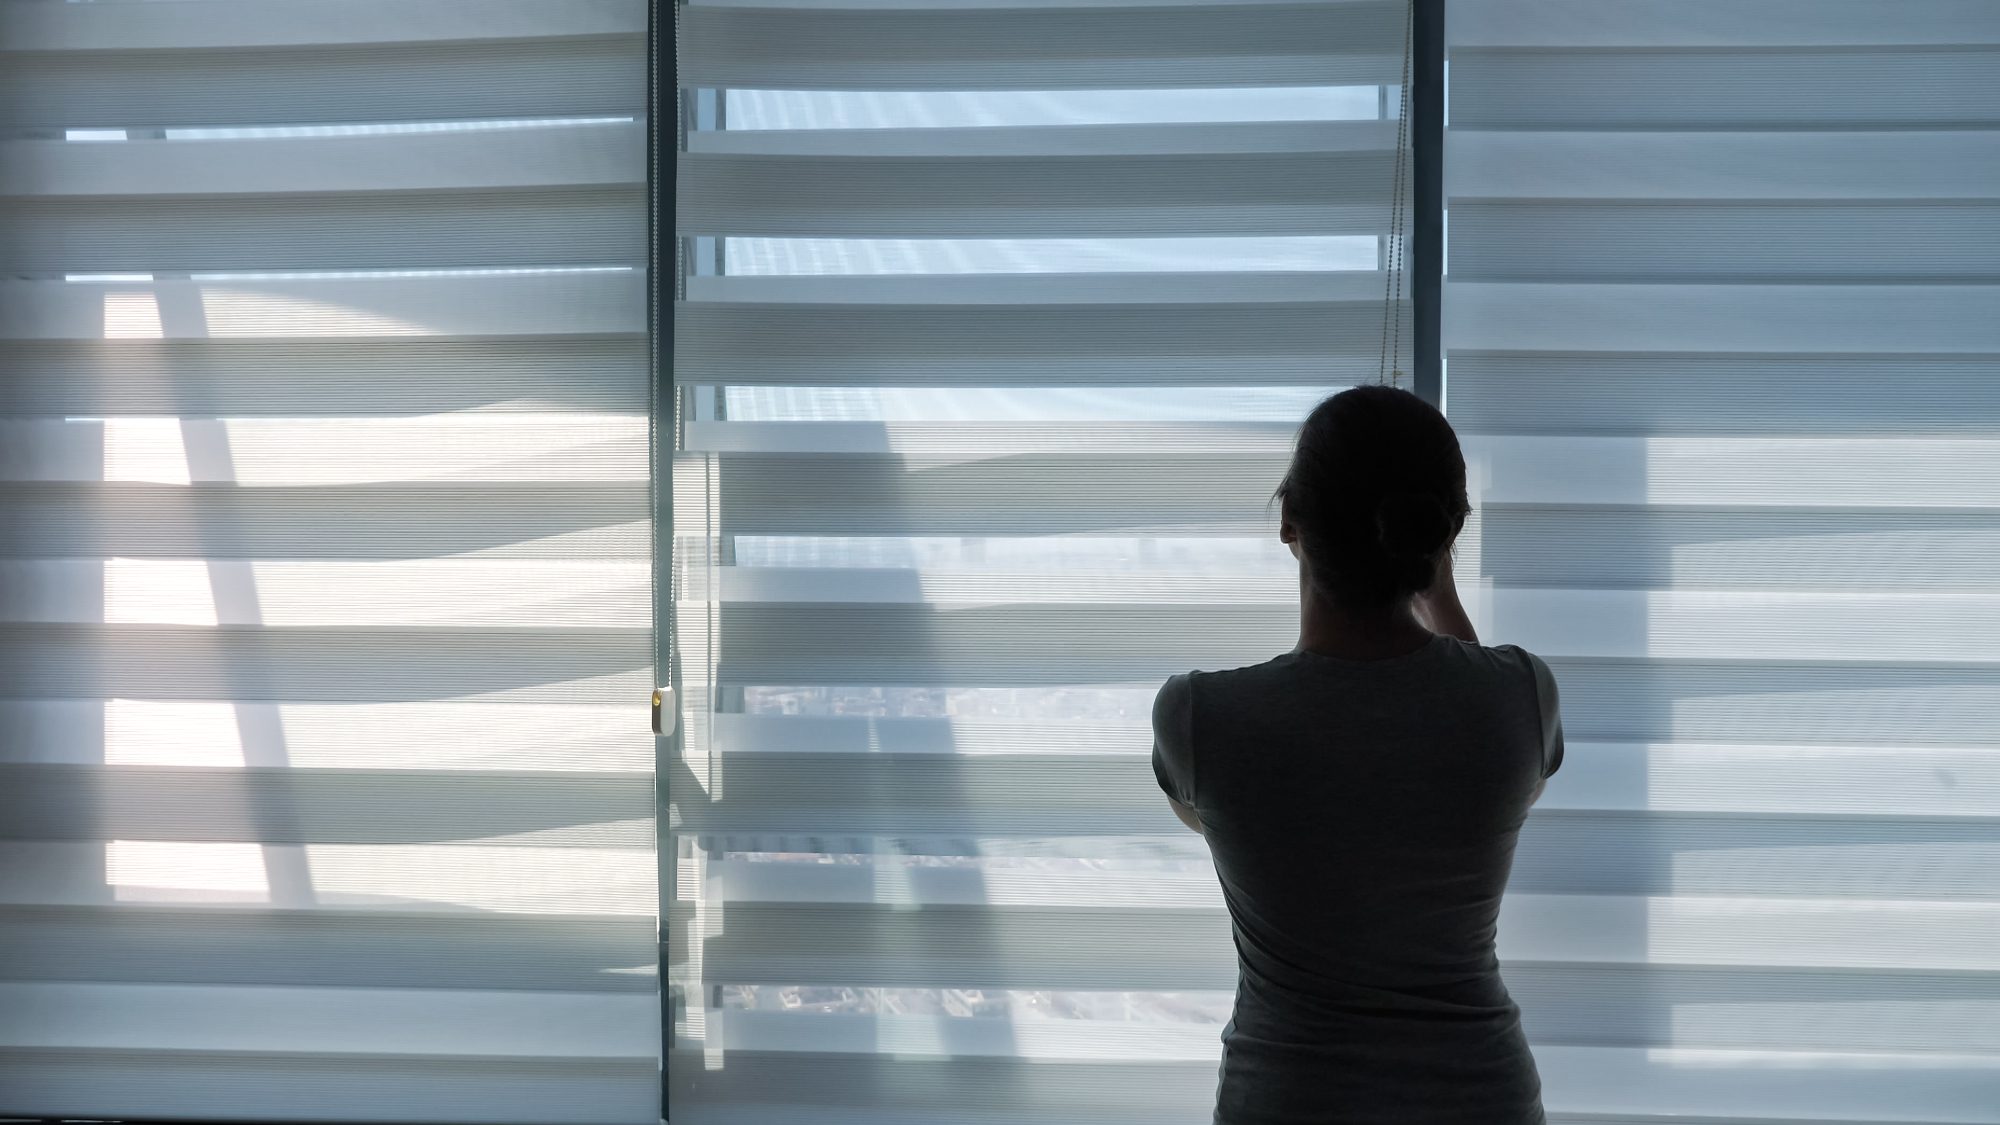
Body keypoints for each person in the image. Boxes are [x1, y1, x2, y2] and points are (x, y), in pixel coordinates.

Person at [1153, 384, 1563, 1125]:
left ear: (1290, 519)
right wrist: (1438, 591)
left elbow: (1207, 818)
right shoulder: (1520, 696)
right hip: (1480, 1098)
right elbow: (1478, 731)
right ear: (1444, 535)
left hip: (1289, 1098)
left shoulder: (1200, 717)